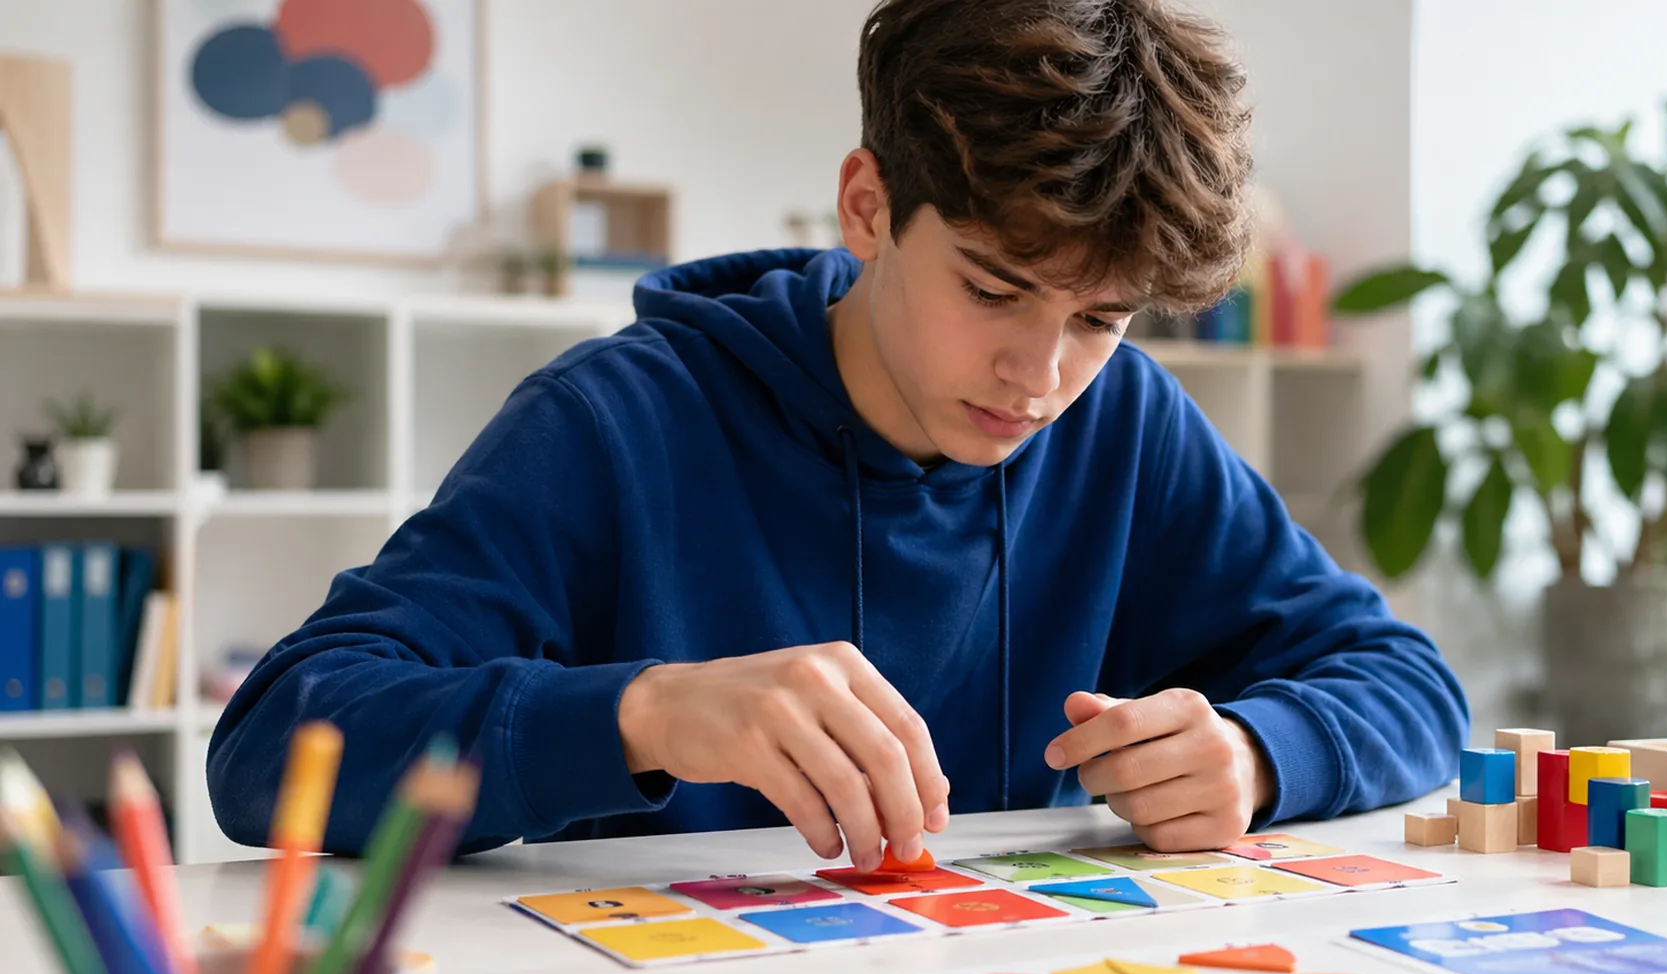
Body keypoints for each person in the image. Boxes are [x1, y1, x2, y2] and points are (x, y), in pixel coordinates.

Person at [207, 0, 1468, 870]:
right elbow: (274, 744)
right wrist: (645, 713)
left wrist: (1259, 751)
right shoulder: (617, 422)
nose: (1040, 377)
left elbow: (1410, 682)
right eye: (990, 289)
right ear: (867, 207)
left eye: (1101, 316)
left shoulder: (1126, 423)